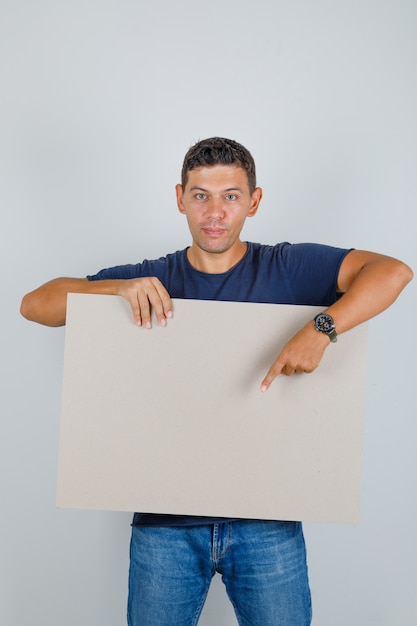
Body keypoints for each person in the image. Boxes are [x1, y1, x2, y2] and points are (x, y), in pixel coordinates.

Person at [21, 137, 413, 626]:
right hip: (165, 526)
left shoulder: (287, 267)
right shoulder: (150, 277)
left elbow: (393, 272)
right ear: (180, 198)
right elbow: (34, 305)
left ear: (254, 201)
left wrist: (323, 328)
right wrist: (115, 289)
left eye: (230, 195)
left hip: (268, 519)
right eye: (201, 194)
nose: (214, 211)